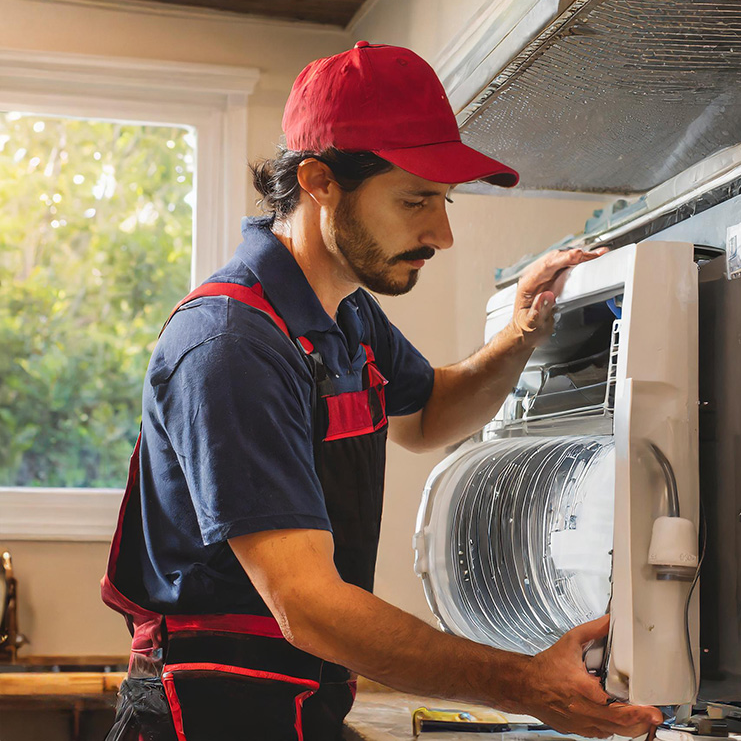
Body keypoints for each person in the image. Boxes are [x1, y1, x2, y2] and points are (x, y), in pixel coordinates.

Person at [102, 41, 663, 741]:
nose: (443, 233)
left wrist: (520, 334)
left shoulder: (347, 318)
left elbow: (428, 415)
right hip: (208, 710)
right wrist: (524, 684)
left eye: (444, 199)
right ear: (319, 182)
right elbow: (307, 606)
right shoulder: (232, 346)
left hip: (301, 700)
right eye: (415, 199)